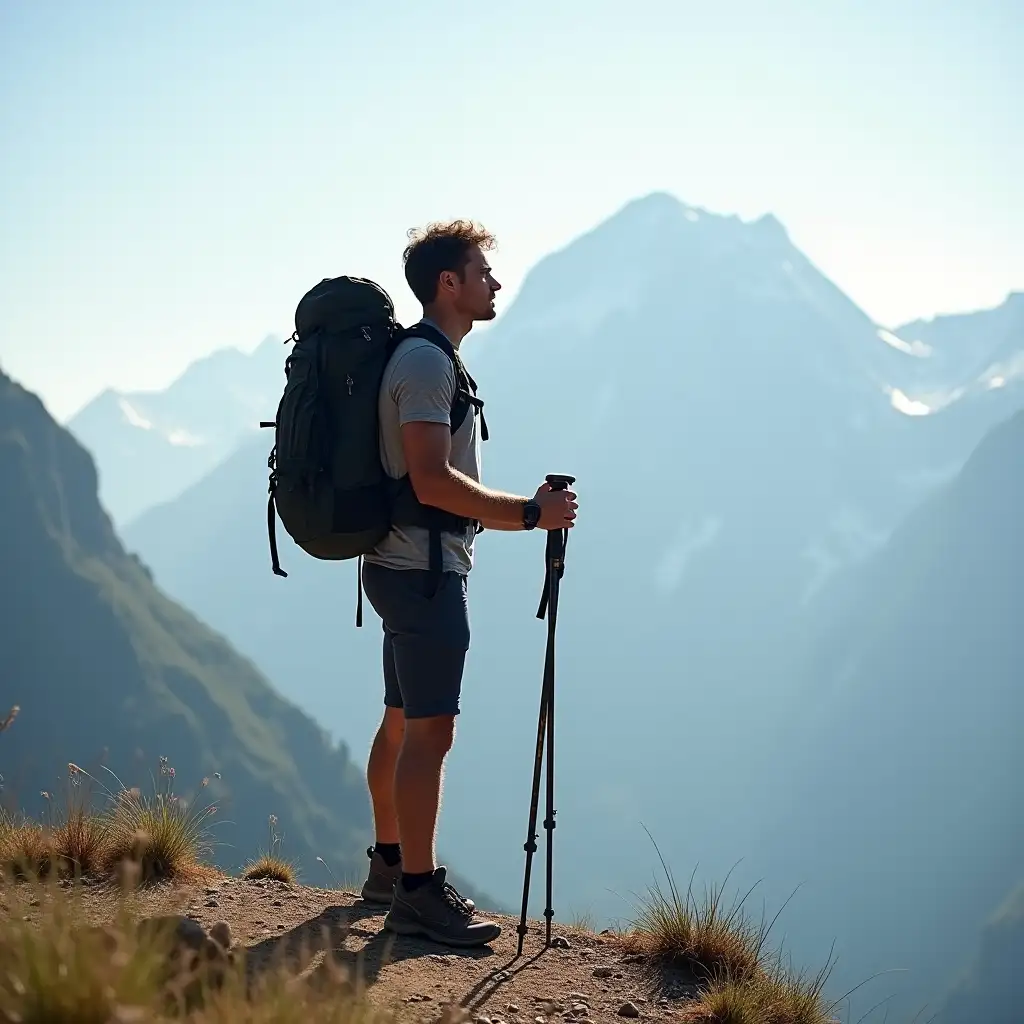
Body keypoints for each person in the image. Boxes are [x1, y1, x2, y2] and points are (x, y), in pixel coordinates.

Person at [357, 219, 579, 947]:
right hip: (423, 573)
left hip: (398, 567)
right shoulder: (426, 365)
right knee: (431, 732)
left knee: (400, 719)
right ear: (447, 283)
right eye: (482, 270)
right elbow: (428, 479)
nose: (495, 282)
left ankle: (390, 865)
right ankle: (417, 893)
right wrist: (528, 514)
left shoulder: (422, 358)